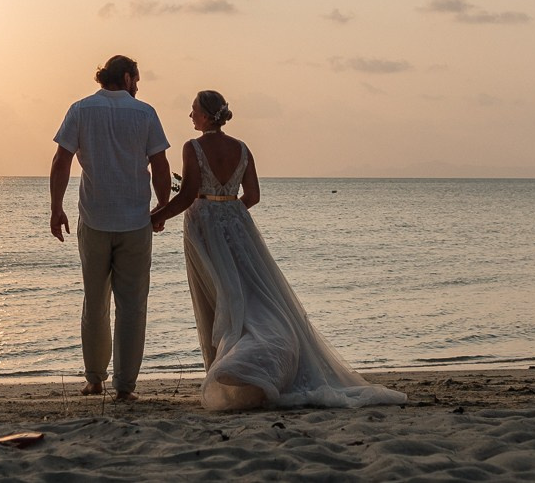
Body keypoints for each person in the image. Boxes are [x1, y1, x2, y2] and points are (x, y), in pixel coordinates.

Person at [149, 89, 405, 411]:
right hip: (239, 227)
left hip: (204, 228)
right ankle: (238, 369)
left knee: (216, 296)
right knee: (249, 295)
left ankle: (231, 370)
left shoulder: (193, 147)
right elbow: (252, 195)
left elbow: (187, 195)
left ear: (205, 116)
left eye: (193, 110)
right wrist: (230, 213)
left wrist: (156, 218)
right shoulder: (242, 149)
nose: (190, 116)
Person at [49, 54, 172, 401]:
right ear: (128, 77)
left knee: (95, 302)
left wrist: (56, 208)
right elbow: (160, 164)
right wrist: (162, 206)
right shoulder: (145, 112)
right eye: (138, 78)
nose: (139, 84)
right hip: (135, 221)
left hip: (95, 219)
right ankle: (125, 387)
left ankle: (93, 379)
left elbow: (62, 160)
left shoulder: (81, 109)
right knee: (133, 306)